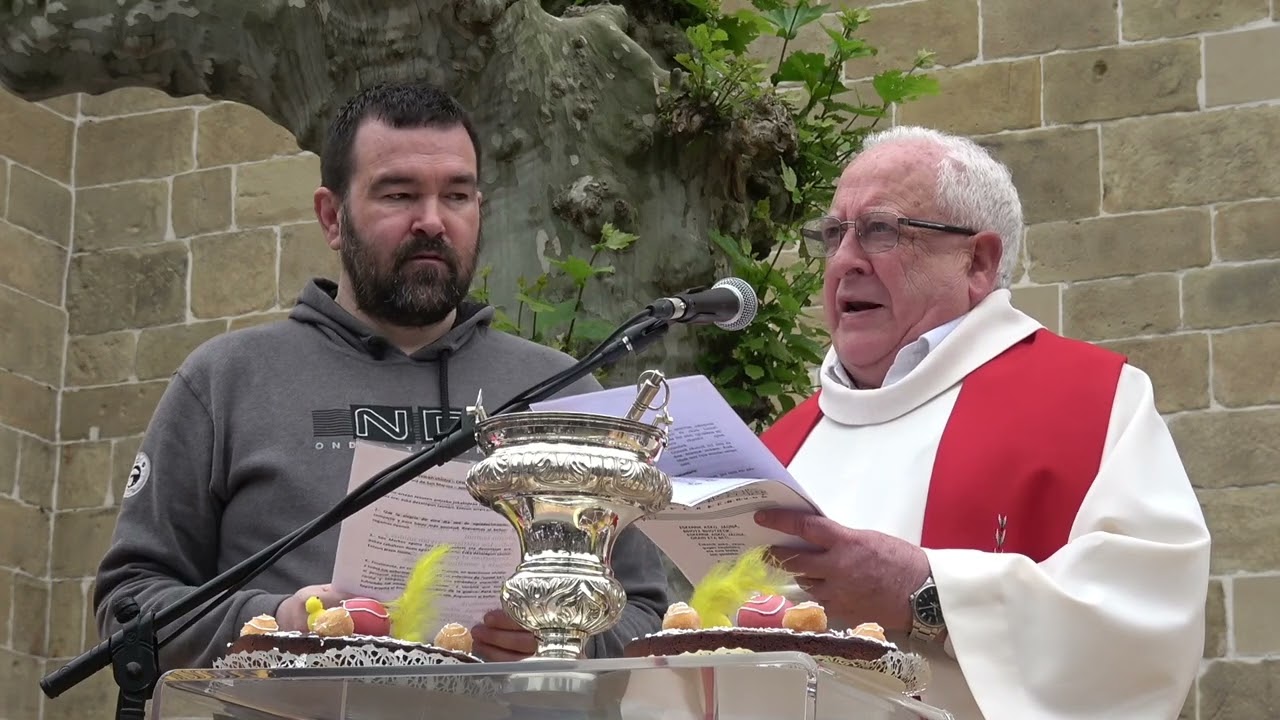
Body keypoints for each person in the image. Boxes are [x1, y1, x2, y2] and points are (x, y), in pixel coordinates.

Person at [93, 81, 669, 670]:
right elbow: (128, 604)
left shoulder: (565, 392)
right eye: (398, 195)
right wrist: (272, 626)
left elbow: (651, 617)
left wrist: (563, 636)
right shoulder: (226, 380)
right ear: (331, 217)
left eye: (457, 196)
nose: (432, 221)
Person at [753, 126, 1210, 719]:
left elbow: (1144, 619)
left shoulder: (1090, 402)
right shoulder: (780, 446)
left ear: (978, 261)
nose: (844, 261)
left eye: (880, 231)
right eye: (835, 233)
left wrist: (927, 593)